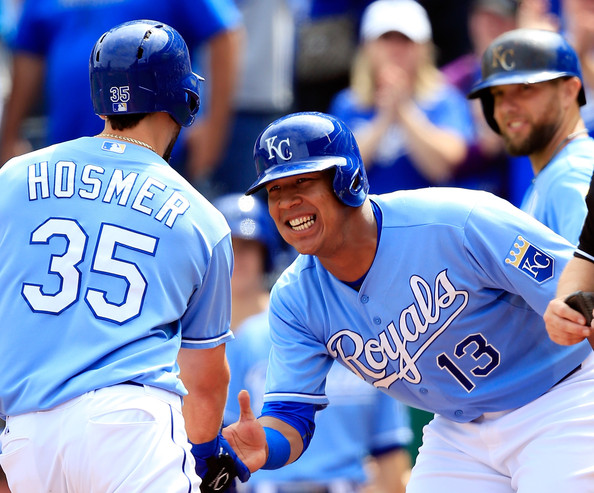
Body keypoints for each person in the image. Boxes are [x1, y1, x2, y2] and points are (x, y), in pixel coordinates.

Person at [221, 111, 594, 492]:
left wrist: (576, 307)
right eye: (275, 190)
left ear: (347, 180)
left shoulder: (458, 221)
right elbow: (290, 415)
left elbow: (584, 284)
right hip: (460, 430)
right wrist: (267, 443)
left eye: (302, 181)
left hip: (559, 398)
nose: (287, 202)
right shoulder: (295, 299)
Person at [0, 20, 245, 492]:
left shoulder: (13, 179)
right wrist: (207, 460)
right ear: (184, 100)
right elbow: (206, 380)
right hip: (130, 426)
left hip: (28, 434)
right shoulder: (202, 219)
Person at [214, 193, 413, 493]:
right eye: (231, 248)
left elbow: (390, 456)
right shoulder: (249, 338)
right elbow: (226, 452)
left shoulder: (378, 339)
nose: (239, 258)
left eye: (248, 248)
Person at [0, 0, 242, 183]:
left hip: (156, 156)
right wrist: (9, 135)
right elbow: (28, 57)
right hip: (68, 152)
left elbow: (224, 35)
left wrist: (213, 126)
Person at [329, 0, 475, 194]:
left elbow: (442, 166)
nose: (395, 49)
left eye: (406, 40)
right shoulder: (347, 104)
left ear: (424, 49)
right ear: (367, 48)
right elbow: (340, 171)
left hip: (428, 220)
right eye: (386, 39)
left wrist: (404, 110)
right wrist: (384, 119)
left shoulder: (446, 100)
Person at [468, 28, 594, 245]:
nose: (506, 106)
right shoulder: (553, 174)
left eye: (525, 88)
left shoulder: (573, 177)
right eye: (498, 94)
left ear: (569, 92)